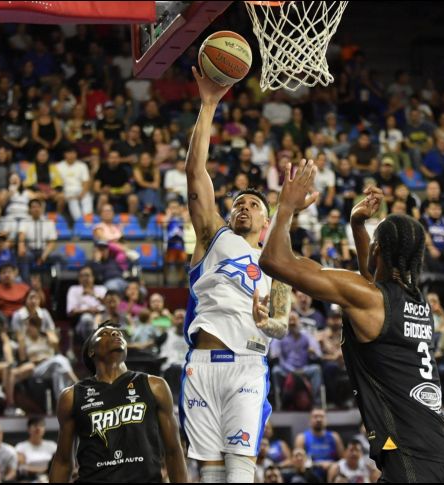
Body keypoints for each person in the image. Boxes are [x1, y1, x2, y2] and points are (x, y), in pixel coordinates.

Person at [260, 170, 444, 481]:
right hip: (441, 453)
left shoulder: (371, 300)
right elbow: (373, 281)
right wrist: (358, 225)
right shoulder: (416, 301)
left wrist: (285, 206)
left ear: (379, 249)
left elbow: (274, 261)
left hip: (412, 457)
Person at [177, 67, 293, 483]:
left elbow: (281, 325)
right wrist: (208, 104)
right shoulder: (213, 236)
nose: (243, 206)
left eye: (254, 204)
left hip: (248, 364)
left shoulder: (277, 262)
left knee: (240, 472)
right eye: (238, 202)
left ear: (265, 222)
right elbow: (195, 174)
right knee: (208, 473)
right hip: (203, 362)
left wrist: (269, 322)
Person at [48, 323, 187, 482]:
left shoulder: (155, 385)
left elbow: (174, 450)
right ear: (91, 351)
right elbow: (63, 462)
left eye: (117, 333)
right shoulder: (71, 396)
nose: (115, 334)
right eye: (106, 333)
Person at [294, 408, 344, 473]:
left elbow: (343, 460)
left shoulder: (334, 436)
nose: (319, 419)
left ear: (326, 420)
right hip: (310, 472)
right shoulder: (301, 438)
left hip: (332, 471)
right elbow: (298, 462)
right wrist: (318, 464)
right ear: (310, 420)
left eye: (321, 417)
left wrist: (332, 465)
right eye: (315, 417)